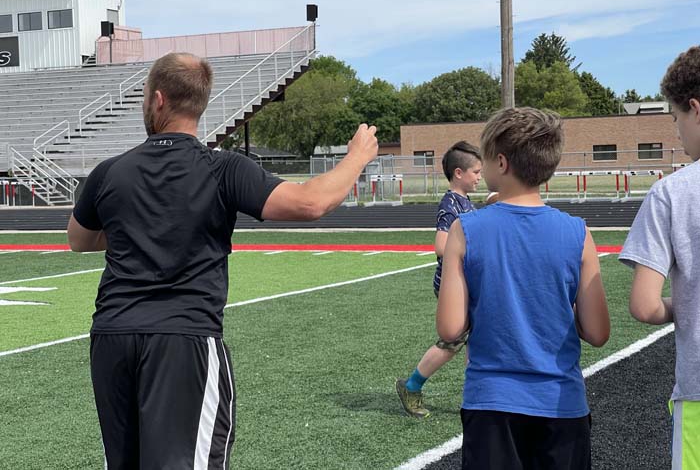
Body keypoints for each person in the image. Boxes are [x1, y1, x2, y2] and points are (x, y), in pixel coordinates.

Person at [66, 52, 378, 469]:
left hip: (111, 338)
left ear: (157, 100)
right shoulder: (221, 169)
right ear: (200, 104)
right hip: (183, 340)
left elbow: (80, 239)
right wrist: (357, 156)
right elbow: (311, 202)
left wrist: (140, 227)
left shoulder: (108, 173)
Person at [436, 107, 610, 470]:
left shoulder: (465, 229)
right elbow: (597, 332)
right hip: (561, 406)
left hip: (491, 406)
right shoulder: (578, 233)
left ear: (501, 162)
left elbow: (450, 328)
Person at [619, 45, 700, 469]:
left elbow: (645, 305)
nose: (676, 133)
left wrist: (686, 305)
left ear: (695, 109)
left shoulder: (671, 193)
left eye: (675, 119)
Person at [396, 141, 483, 419]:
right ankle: (411, 387)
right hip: (452, 285)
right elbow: (441, 245)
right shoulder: (450, 203)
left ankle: (476, 397)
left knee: (477, 339)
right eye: (476, 172)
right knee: (453, 342)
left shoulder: (466, 202)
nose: (480, 177)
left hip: (465, 284)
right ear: (459, 173)